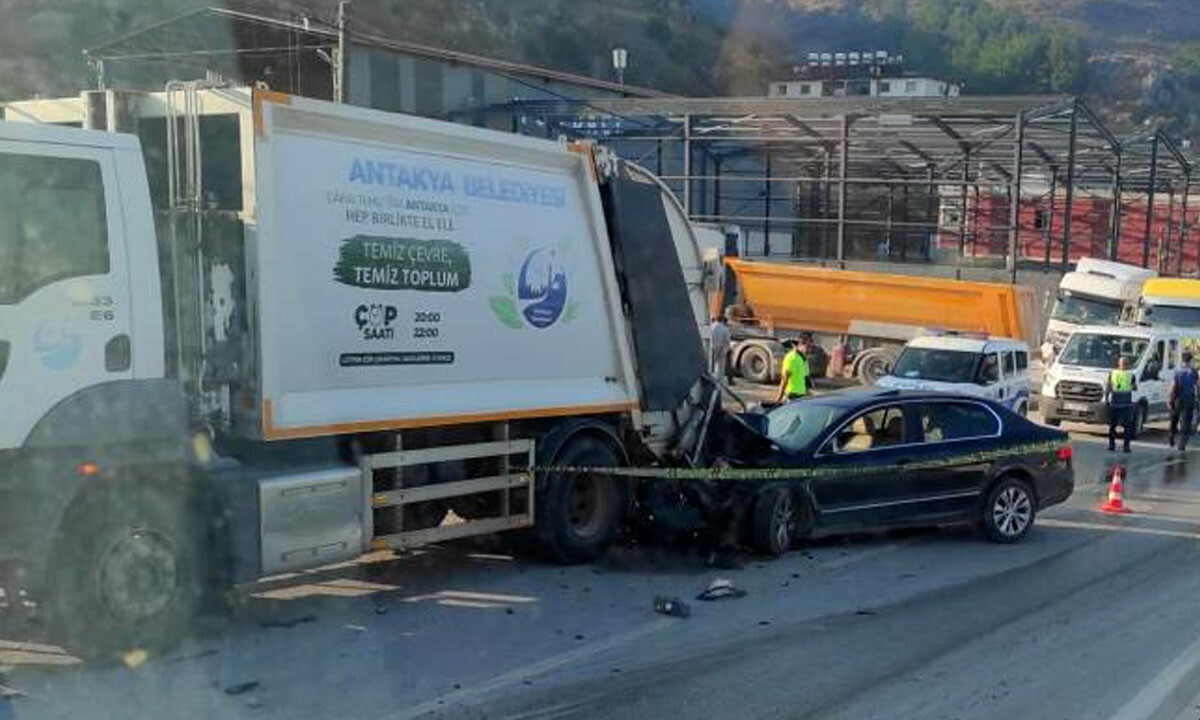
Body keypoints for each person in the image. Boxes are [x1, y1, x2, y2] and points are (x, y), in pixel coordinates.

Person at [1106, 355, 1138, 453]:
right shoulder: (1130, 375)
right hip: (1124, 403)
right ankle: (1123, 446)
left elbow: (1108, 387)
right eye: (1124, 363)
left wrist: (1107, 399)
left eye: (1125, 363)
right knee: (1124, 426)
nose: (1124, 365)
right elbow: (1135, 388)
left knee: (1115, 426)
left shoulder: (1113, 373)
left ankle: (1114, 445)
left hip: (1118, 402)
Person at [1169, 350, 1199, 450]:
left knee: (1174, 419)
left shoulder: (1177, 371)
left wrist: (1170, 399)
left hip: (1177, 399)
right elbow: (1197, 386)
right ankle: (1182, 444)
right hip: (1189, 400)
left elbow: (1173, 386)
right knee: (1186, 422)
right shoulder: (1193, 371)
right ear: (1190, 360)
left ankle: (1171, 436)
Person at [775, 338, 810, 403]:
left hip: (799, 395)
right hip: (792, 395)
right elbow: (785, 379)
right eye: (805, 346)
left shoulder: (802, 359)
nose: (807, 349)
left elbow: (805, 380)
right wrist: (779, 398)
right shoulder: (792, 358)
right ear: (797, 346)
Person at [709, 313, 732, 384]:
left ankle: (710, 380)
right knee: (720, 368)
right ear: (723, 321)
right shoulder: (725, 329)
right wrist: (726, 351)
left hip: (710, 347)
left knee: (710, 366)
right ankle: (718, 382)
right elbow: (727, 341)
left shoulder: (711, 326)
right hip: (720, 348)